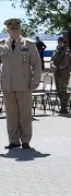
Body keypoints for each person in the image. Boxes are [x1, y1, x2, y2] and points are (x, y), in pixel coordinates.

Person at [0, 18, 41, 150]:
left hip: (24, 84)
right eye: (12, 29)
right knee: (11, 115)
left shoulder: (29, 44)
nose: (14, 31)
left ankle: (25, 140)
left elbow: (37, 64)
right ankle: (13, 140)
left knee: (25, 114)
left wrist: (35, 81)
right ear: (8, 30)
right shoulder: (2, 44)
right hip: (7, 85)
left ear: (20, 29)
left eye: (17, 28)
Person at [50, 36, 71, 114]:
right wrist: (52, 66)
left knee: (63, 90)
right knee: (58, 90)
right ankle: (62, 106)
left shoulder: (67, 51)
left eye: (61, 42)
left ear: (64, 43)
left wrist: (58, 67)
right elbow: (52, 59)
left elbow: (66, 62)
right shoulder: (56, 50)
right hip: (56, 73)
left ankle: (64, 107)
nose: (59, 44)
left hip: (64, 73)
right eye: (58, 42)